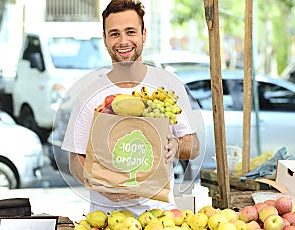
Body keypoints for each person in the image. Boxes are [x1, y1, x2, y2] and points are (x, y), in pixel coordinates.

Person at [61, 0, 200, 217]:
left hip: (161, 217)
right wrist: (102, 186)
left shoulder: (168, 87)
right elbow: (76, 161)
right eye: (114, 34)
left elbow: (193, 147)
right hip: (106, 219)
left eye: (130, 32)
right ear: (105, 39)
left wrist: (176, 146)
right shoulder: (89, 94)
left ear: (144, 34)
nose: (123, 41)